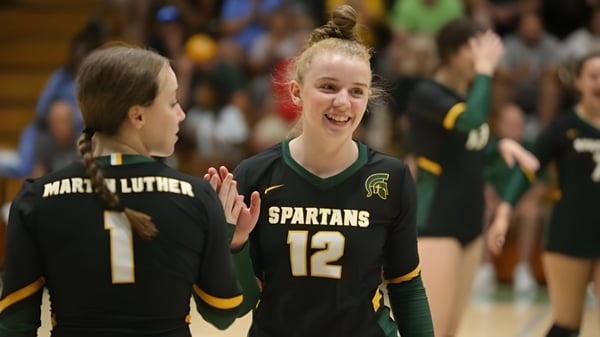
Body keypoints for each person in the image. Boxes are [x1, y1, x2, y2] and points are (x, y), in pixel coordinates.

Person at [206, 5, 435, 336]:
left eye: (357, 91)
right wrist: (236, 242)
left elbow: (407, 286)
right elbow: (232, 311)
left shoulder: (391, 178)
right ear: (297, 92)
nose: (343, 102)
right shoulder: (255, 175)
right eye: (328, 87)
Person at [0, 44, 254, 337]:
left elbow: (16, 327)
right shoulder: (196, 196)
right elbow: (222, 313)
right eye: (172, 102)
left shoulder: (36, 199)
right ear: (137, 116)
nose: (182, 114)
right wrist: (225, 231)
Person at [405, 17, 538, 337]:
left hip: (469, 224)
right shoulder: (426, 93)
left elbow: (472, 147)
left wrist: (500, 145)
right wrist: (485, 70)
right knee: (430, 330)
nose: (483, 60)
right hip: (436, 223)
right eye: (474, 51)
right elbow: (472, 120)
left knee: (451, 330)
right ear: (451, 52)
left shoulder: (467, 101)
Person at [487, 50, 600, 337]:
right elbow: (528, 169)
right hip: (569, 233)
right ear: (579, 82)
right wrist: (504, 210)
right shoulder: (563, 128)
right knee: (567, 324)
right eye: (594, 76)